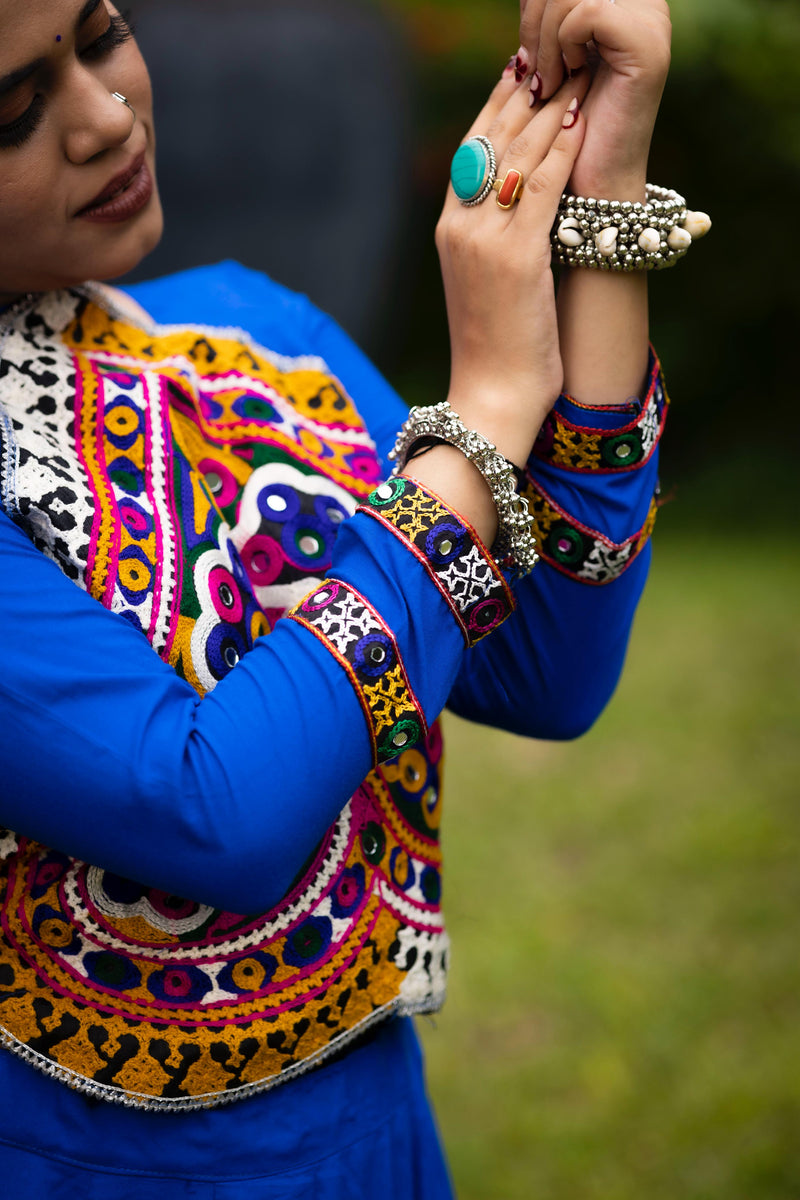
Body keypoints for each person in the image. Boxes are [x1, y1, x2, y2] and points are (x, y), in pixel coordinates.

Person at [0, 0, 701, 1195]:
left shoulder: (254, 339)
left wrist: (602, 173)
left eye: (103, 33)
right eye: (18, 109)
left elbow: (541, 664)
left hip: (371, 1141)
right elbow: (213, 809)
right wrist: (478, 416)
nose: (105, 115)